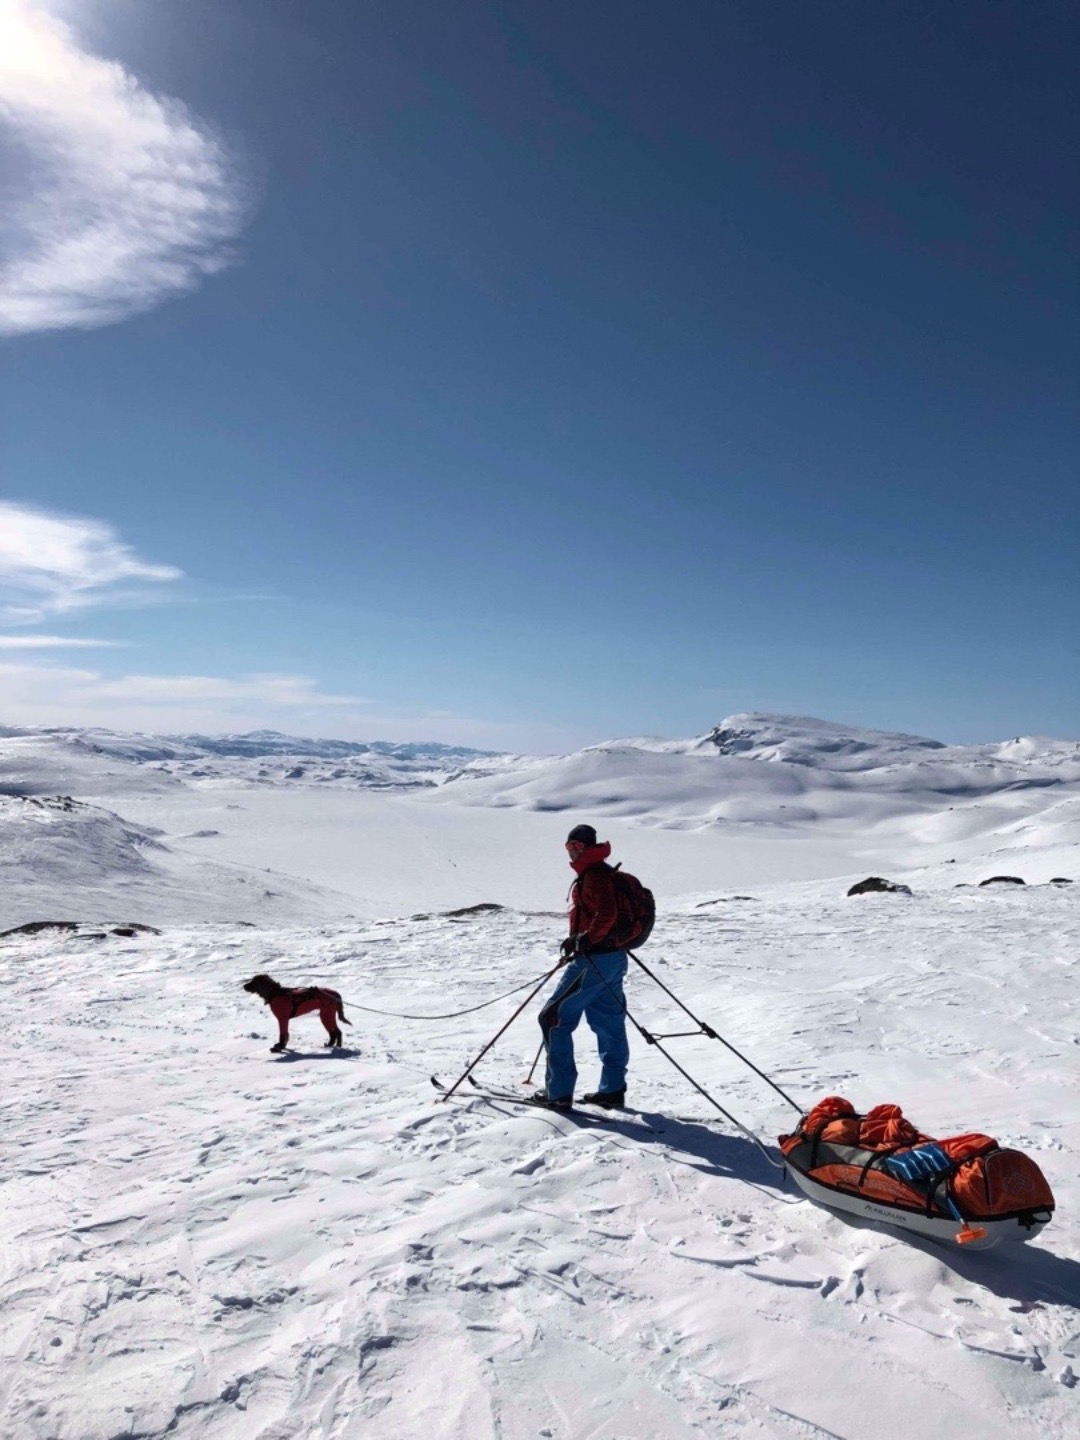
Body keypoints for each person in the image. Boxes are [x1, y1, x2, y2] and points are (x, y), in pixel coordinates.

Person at [528, 824, 631, 1111]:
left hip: (594, 960)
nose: (572, 853)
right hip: (613, 958)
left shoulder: (595, 875)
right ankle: (612, 1090)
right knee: (608, 1020)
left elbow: (606, 913)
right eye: (568, 847)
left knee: (552, 1017)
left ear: (588, 847)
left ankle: (558, 1093)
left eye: (576, 847)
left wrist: (585, 939)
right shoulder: (601, 872)